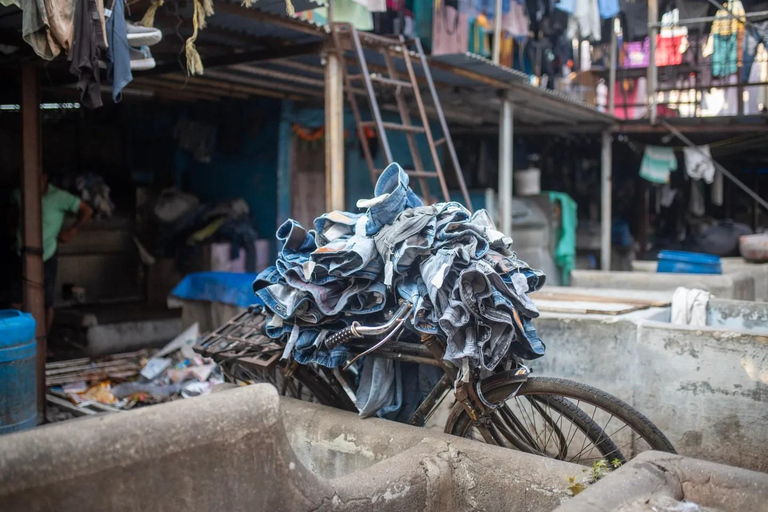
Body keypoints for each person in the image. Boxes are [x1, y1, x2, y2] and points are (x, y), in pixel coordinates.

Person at [11, 172, 93, 333]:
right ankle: (20, 344)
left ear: (45, 177)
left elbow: (87, 210)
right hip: (20, 253)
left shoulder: (60, 197)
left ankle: (43, 344)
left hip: (46, 254)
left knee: (46, 303)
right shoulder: (18, 194)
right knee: (16, 302)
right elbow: (10, 211)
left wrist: (73, 231)